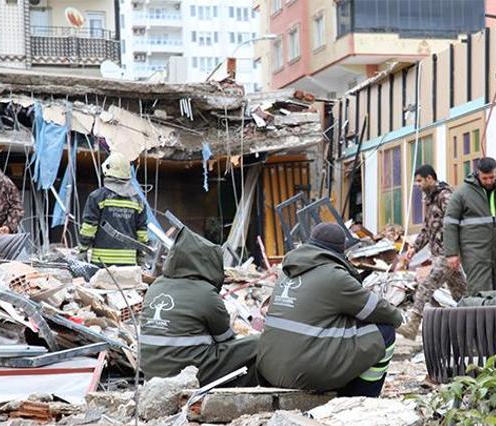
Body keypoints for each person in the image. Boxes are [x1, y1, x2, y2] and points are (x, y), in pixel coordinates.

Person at [257, 223, 402, 397]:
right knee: (385, 333)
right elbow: (387, 314)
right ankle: (360, 399)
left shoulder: (287, 271)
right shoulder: (335, 277)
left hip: (268, 369)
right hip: (302, 374)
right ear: (340, 251)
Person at [140, 226, 259, 386]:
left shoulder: (155, 286)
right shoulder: (206, 293)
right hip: (188, 372)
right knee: (259, 344)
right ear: (208, 263)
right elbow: (225, 340)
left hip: (152, 373)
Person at [397, 165, 465, 339]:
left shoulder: (445, 196)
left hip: (447, 253)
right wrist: (414, 248)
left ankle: (412, 325)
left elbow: (456, 222)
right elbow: (427, 229)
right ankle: (473, 325)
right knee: (461, 295)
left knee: (426, 286)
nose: (417, 185)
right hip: (439, 255)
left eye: (419, 181)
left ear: (429, 178)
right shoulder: (430, 200)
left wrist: (453, 252)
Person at [443, 157, 496, 294]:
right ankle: (479, 315)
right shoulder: (462, 193)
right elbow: (450, 223)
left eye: (492, 177)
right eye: (484, 178)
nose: (489, 181)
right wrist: (451, 253)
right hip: (474, 251)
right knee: (479, 290)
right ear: (477, 174)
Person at [79, 153, 148, 266]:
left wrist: (83, 249)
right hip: (128, 263)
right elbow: (142, 233)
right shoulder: (138, 201)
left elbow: (89, 227)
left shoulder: (97, 197)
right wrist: (141, 256)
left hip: (101, 263)